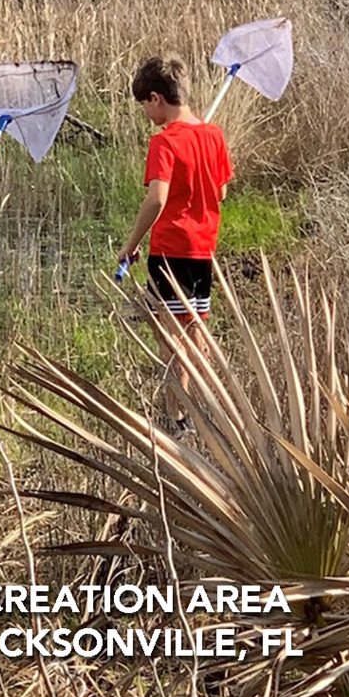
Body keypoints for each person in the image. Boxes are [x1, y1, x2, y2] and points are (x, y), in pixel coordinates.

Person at [116, 55, 233, 434]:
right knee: (195, 329)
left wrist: (131, 244)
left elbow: (157, 198)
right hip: (203, 249)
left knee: (170, 339)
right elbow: (222, 190)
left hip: (170, 250)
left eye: (145, 106)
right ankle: (204, 409)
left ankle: (177, 419)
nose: (147, 114)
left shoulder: (164, 141)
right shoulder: (213, 136)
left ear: (156, 99)